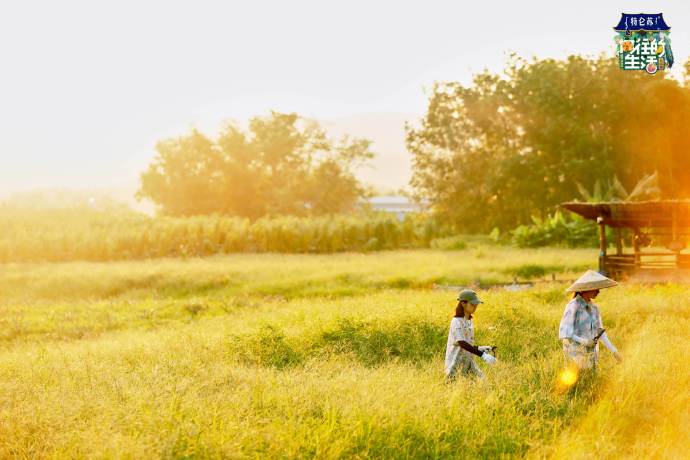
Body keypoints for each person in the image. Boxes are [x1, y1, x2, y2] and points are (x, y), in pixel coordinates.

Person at [558, 270, 623, 371]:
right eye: (595, 288)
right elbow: (566, 333)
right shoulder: (573, 306)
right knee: (577, 381)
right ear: (584, 289)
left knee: (592, 380)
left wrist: (614, 351)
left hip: (592, 354)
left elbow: (600, 332)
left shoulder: (594, 308)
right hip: (575, 354)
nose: (598, 291)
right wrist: (585, 342)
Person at [445, 289, 497, 380]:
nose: (475, 306)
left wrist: (481, 348)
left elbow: (468, 344)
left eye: (476, 304)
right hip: (455, 363)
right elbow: (461, 343)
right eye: (472, 304)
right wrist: (482, 355)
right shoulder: (456, 321)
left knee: (483, 381)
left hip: (468, 361)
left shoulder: (469, 321)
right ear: (463, 303)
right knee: (453, 386)